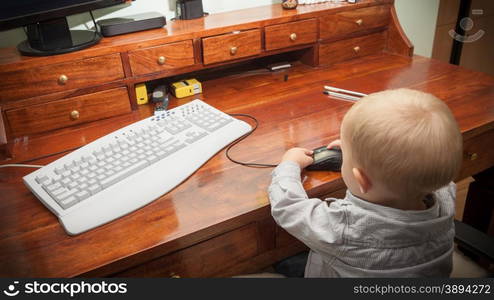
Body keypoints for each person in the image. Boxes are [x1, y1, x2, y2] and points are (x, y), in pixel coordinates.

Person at [268, 88, 463, 277]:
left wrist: (289, 164)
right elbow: (423, 163)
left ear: (361, 180)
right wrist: (364, 155)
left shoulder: (344, 228)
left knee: (282, 260)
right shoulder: (445, 196)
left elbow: (288, 208)